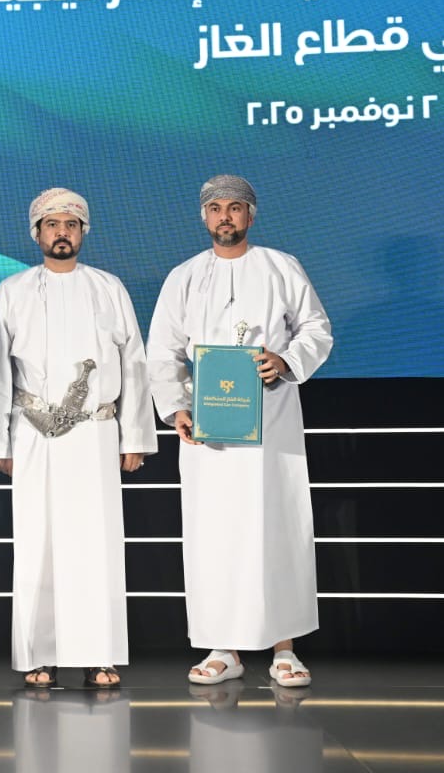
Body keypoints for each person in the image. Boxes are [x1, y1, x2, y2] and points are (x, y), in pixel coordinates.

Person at [146, 174, 333, 688]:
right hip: (209, 433)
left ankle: (285, 648)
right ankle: (221, 648)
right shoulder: (184, 277)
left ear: (251, 215)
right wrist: (176, 409)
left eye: (234, 208)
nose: (224, 216)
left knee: (277, 527)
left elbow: (317, 329)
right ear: (203, 216)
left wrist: (286, 360)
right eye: (215, 208)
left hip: (271, 421)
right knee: (214, 534)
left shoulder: (280, 266)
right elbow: (162, 351)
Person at [0, 188, 153, 689]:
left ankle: (99, 654)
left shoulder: (108, 288)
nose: (62, 233)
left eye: (71, 225)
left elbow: (134, 364)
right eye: (52, 224)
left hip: (95, 434)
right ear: (36, 233)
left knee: (95, 543)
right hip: (34, 436)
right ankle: (41, 654)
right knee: (38, 543)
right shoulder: (12, 290)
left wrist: (134, 435)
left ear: (83, 232)